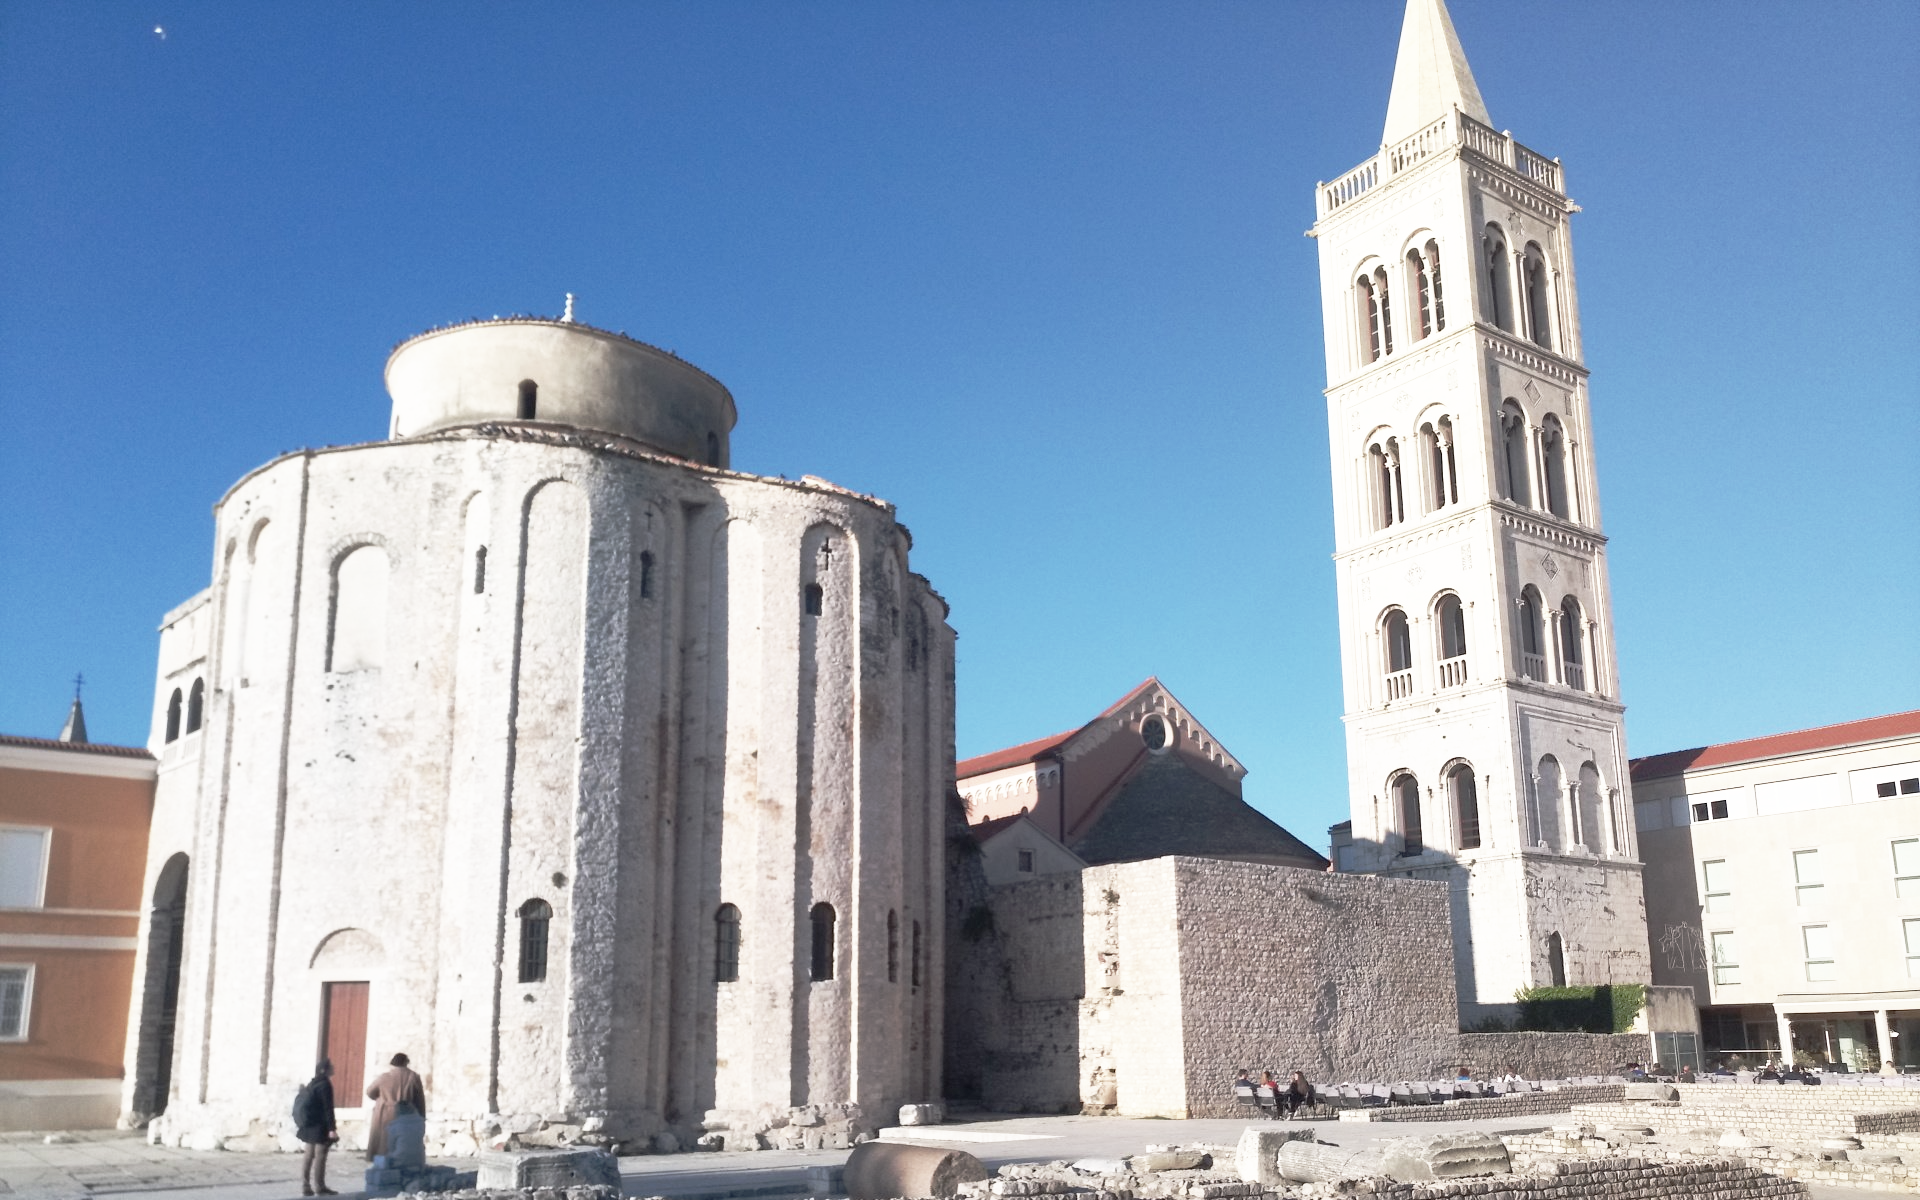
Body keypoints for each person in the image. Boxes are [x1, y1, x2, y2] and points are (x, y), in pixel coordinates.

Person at [364, 1052, 427, 1162]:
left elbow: (369, 1092)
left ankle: (381, 1162)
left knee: (383, 1142)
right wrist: (421, 1116)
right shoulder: (413, 1077)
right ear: (406, 1062)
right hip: (405, 1113)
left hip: (383, 1113)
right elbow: (419, 1100)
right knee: (401, 1143)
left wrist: (381, 1098)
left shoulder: (384, 1077)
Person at [294, 1059, 338, 1196]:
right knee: (320, 1156)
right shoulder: (325, 1085)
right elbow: (328, 1108)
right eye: (331, 1067)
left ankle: (305, 1186)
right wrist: (332, 1128)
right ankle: (320, 1186)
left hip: (308, 1125)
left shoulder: (313, 1083)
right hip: (319, 1126)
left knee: (308, 1156)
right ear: (325, 1070)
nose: (333, 1068)